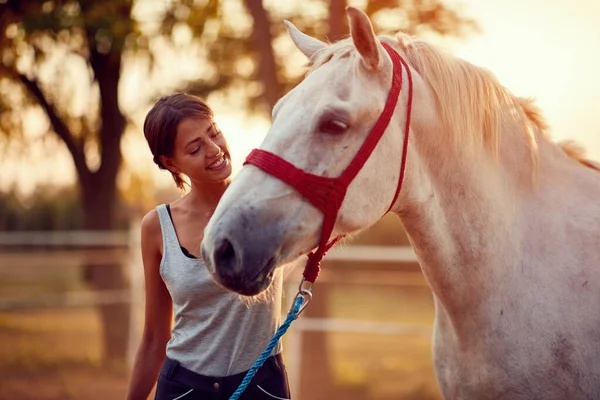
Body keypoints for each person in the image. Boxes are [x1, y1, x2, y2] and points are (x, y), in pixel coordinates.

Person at [126, 93, 290, 400]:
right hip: (183, 388)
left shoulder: (266, 202)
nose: (214, 150)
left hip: (262, 386)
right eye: (195, 147)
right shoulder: (157, 227)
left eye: (213, 132)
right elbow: (153, 339)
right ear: (170, 162)